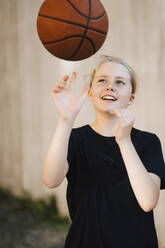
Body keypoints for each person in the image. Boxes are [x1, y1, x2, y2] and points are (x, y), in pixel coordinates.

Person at [42, 55, 165, 248]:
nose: (110, 86)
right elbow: (50, 180)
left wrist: (124, 141)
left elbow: (148, 201)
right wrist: (65, 120)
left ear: (131, 98)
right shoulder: (75, 138)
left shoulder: (148, 142)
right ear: (90, 93)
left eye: (120, 82)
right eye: (102, 80)